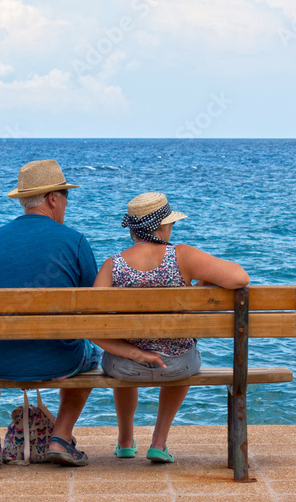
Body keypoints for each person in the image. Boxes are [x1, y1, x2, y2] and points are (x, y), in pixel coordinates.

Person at [0, 159, 101, 468]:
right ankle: (60, 437)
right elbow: (94, 305)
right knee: (93, 355)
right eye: (65, 198)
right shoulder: (75, 240)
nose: (66, 205)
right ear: (52, 199)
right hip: (63, 360)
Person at [92, 192, 249, 463]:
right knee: (184, 350)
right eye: (171, 224)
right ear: (163, 226)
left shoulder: (112, 265)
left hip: (125, 368)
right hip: (177, 366)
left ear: (134, 229)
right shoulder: (182, 256)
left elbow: (91, 326)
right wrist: (200, 289)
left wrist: (135, 353)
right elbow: (239, 277)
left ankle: (125, 441)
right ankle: (159, 442)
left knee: (122, 347)